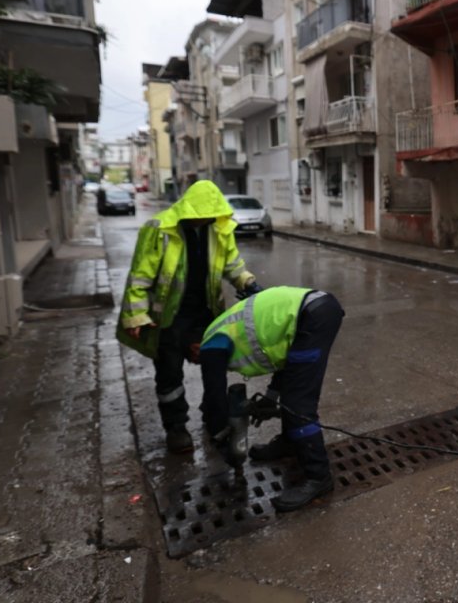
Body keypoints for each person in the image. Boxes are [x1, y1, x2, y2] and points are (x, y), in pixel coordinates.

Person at [116, 180, 261, 454]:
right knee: (170, 374)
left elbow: (231, 264)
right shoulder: (159, 230)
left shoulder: (218, 228)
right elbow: (140, 276)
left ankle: (213, 417)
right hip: (168, 319)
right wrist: (136, 315)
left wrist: (246, 282)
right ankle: (176, 427)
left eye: (208, 216)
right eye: (199, 216)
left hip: (205, 313)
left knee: (214, 366)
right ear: (188, 210)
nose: (203, 220)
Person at [190, 285, 345, 512]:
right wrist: (271, 397)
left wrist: (225, 443)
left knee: (297, 403)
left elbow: (214, 398)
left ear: (194, 347)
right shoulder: (224, 328)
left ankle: (318, 476)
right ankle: (290, 442)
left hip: (313, 317)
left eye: (194, 359)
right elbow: (285, 359)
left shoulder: (211, 344)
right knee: (293, 391)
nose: (198, 362)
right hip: (316, 311)